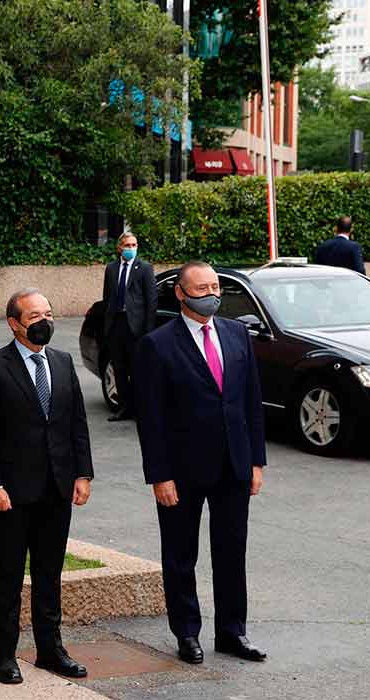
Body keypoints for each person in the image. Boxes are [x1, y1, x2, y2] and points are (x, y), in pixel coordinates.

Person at [133, 261, 268, 666]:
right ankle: (187, 633)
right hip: (181, 470)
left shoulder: (236, 333)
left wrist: (256, 461)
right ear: (180, 293)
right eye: (201, 287)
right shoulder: (156, 345)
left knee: (232, 551)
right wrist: (159, 474)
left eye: (215, 287)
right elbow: (150, 418)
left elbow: (250, 402)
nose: (211, 294)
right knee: (180, 555)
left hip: (233, 465)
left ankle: (232, 632)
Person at [0, 288, 94, 685]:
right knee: (8, 573)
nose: (45, 322)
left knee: (49, 571)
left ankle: (50, 650)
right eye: (35, 316)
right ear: (14, 323)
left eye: (49, 314)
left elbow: (76, 421)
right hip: (12, 492)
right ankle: (5, 654)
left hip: (57, 487)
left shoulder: (62, 361)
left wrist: (82, 473)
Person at [101, 231, 157, 421]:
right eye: (127, 246)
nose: (131, 249)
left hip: (136, 327)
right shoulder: (111, 268)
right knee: (119, 368)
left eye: (134, 245)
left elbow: (152, 300)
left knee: (138, 370)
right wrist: (106, 327)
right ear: (119, 248)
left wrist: (148, 330)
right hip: (117, 324)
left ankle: (141, 409)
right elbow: (107, 298)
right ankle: (124, 408)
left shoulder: (145, 268)